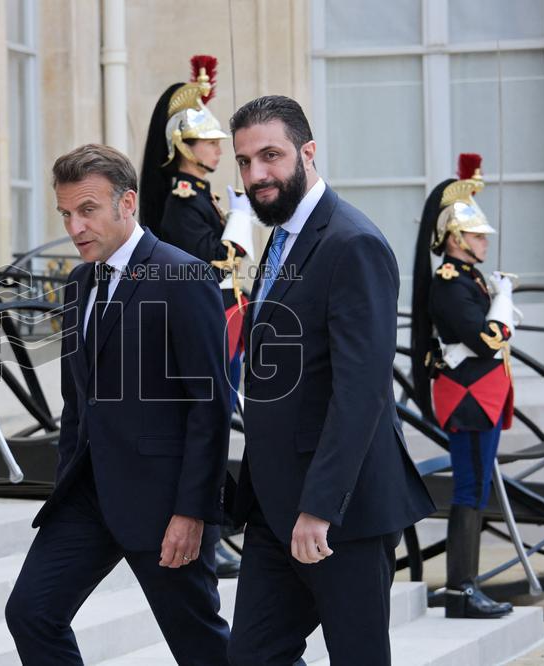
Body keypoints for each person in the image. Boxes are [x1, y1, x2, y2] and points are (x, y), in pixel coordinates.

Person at [226, 96, 435, 666]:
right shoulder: (282, 237)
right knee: (251, 657)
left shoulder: (353, 243)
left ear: (308, 152)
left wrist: (320, 507)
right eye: (244, 161)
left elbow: (361, 392)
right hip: (274, 507)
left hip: (341, 511)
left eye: (270, 155)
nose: (256, 174)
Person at [5, 144, 231, 665]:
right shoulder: (78, 283)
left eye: (87, 210)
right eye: (66, 213)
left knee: (202, 648)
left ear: (127, 203)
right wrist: (66, 481)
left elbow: (210, 407)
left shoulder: (183, 276)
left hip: (163, 502)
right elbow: (76, 402)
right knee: (32, 613)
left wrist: (192, 511)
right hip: (87, 495)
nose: (75, 226)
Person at [138, 55, 255, 579]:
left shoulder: (201, 198)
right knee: (209, 428)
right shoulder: (182, 202)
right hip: (206, 325)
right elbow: (209, 262)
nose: (218, 149)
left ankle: (217, 528)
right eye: (208, 142)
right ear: (185, 146)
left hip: (224, 321)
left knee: (220, 425)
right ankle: (209, 528)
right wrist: (239, 223)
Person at [410, 153, 518, 619]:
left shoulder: (468, 279)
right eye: (476, 235)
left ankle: (464, 585)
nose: (484, 241)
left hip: (481, 396)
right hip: (470, 399)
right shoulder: (451, 283)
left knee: (475, 488)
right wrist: (504, 305)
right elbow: (486, 339)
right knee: (470, 490)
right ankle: (460, 589)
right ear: (455, 239)